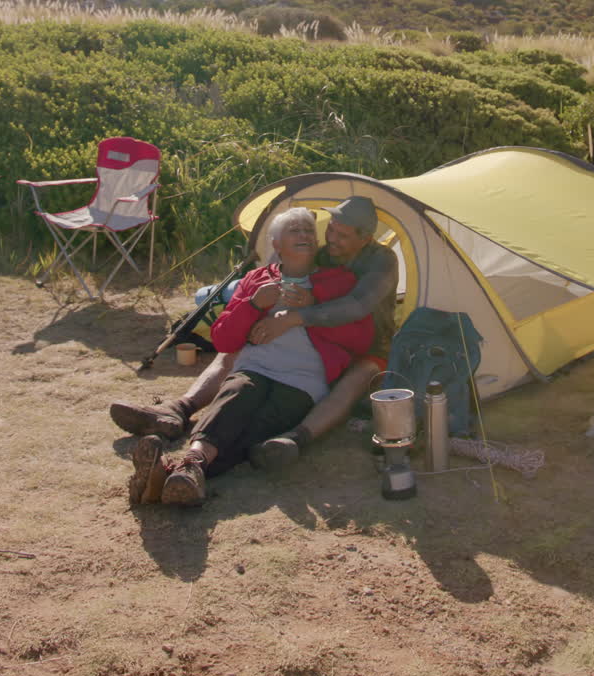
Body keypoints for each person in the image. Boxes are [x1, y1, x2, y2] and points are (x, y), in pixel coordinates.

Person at [111, 195, 399, 470]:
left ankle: (295, 438)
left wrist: (299, 314)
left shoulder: (380, 261)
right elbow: (295, 269)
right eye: (330, 230)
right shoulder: (324, 255)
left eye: (342, 235)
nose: (331, 239)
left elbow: (355, 307)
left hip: (365, 341)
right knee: (237, 349)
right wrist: (260, 298)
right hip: (302, 339)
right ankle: (178, 411)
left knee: (358, 372)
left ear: (365, 238)